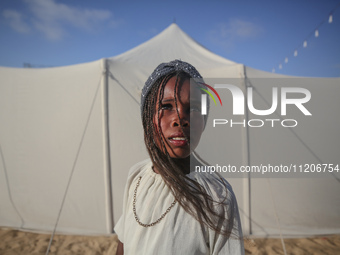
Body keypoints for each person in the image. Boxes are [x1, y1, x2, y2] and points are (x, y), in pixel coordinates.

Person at [114, 60, 245, 255]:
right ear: (147, 117)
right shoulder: (137, 176)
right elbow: (123, 244)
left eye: (193, 109)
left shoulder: (218, 196)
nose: (179, 119)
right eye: (166, 106)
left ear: (204, 121)